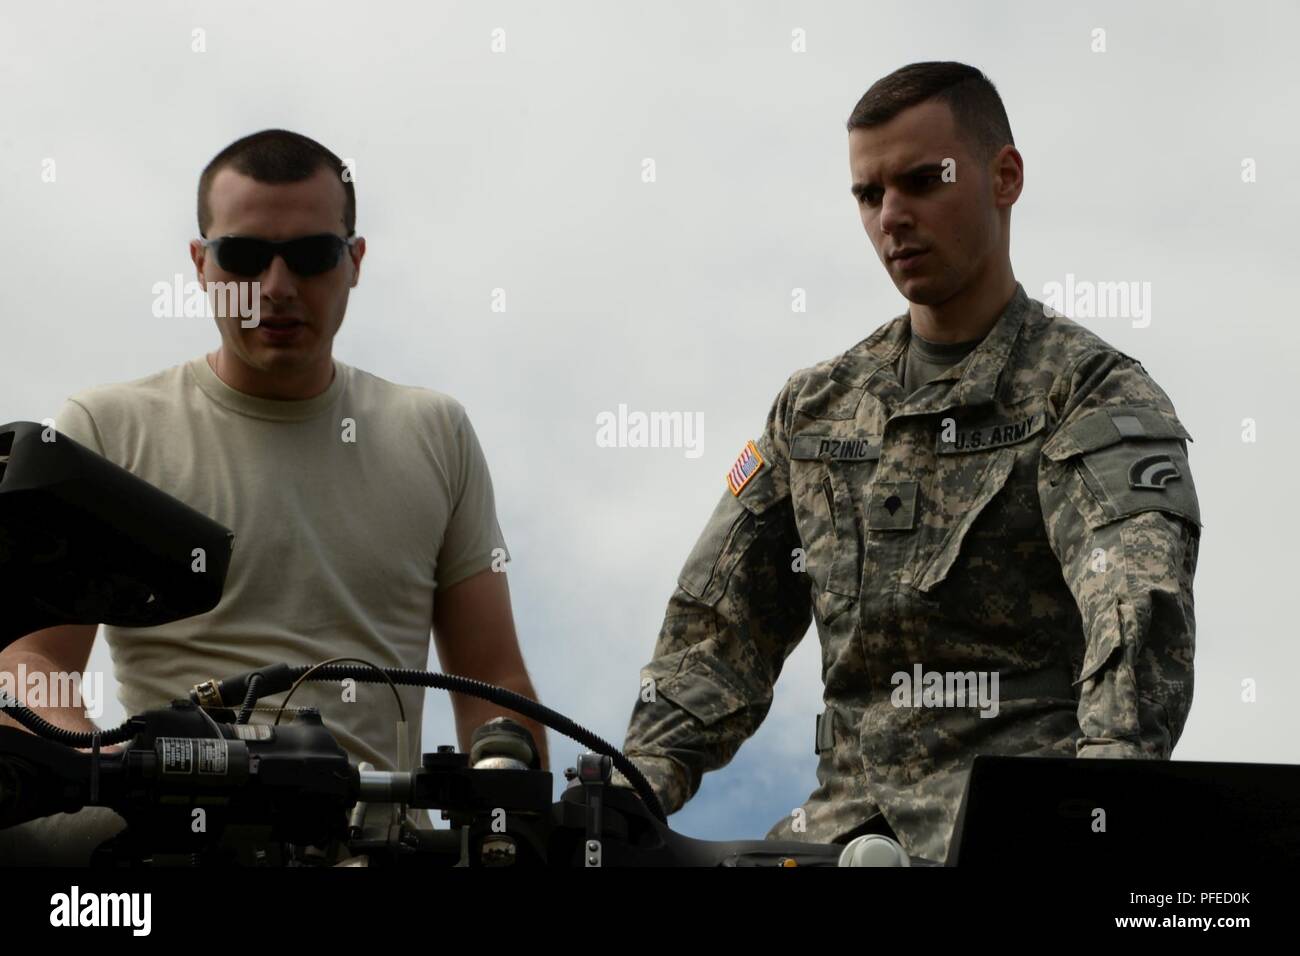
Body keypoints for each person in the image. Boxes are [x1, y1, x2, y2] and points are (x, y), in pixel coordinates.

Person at [618, 62, 1201, 864]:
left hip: (1015, 844)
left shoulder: (1089, 395)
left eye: (925, 182)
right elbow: (717, 631)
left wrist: (1098, 816)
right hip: (837, 840)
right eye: (869, 194)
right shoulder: (814, 410)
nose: (893, 216)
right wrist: (629, 791)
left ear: (1005, 177)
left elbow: (1137, 615)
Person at [0, 129, 546, 863]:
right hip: (170, 845)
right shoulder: (107, 427)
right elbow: (33, 659)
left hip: (381, 849)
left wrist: (517, 824)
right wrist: (93, 779)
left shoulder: (433, 431)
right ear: (201, 265)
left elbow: (494, 682)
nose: (278, 287)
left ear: (354, 263)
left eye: (314, 256)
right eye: (245, 257)